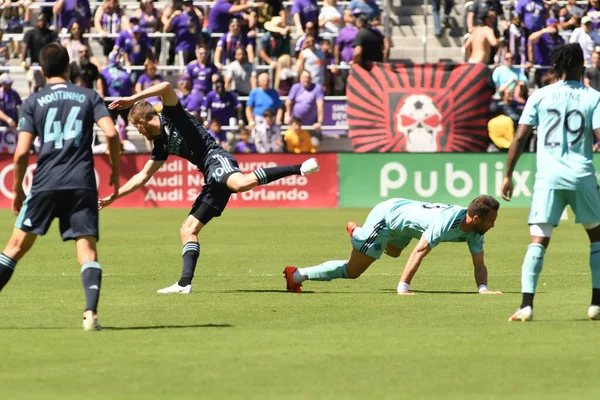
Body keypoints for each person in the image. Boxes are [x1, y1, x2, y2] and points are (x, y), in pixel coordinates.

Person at [101, 81, 320, 294]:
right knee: (188, 230)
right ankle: (184, 284)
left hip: (215, 158)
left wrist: (131, 99)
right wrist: (115, 196)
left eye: (136, 126)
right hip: (210, 176)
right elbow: (142, 177)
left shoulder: (171, 115)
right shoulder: (161, 145)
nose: (138, 132)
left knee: (240, 183)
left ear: (143, 119)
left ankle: (298, 167)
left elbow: (166, 87)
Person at [0, 43, 121, 330]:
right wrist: (115, 171)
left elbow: (20, 154)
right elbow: (112, 133)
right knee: (87, 251)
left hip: (45, 183)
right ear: (69, 68)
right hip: (81, 182)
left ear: (41, 71)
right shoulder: (89, 95)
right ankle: (90, 314)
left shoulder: (33, 101)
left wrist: (17, 190)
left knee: (15, 247)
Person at [501, 43, 600, 322]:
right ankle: (596, 303)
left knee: (539, 240)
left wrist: (508, 175)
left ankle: (526, 305)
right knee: (597, 238)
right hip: (582, 176)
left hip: (548, 178)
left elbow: (519, 137)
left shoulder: (540, 96)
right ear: (581, 67)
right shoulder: (594, 97)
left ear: (557, 67)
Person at [284, 196, 503, 295]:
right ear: (475, 218)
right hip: (387, 218)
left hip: (403, 225)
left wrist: (483, 289)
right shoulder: (446, 222)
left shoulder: (476, 230)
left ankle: (363, 237)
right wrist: (403, 287)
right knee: (353, 271)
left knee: (395, 252)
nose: (493, 225)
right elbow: (419, 251)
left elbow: (479, 264)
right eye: (491, 221)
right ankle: (296, 275)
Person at [22, 13, 59, 93]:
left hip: (48, 66)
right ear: (36, 21)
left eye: (43, 20)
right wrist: (23, 61)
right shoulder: (30, 34)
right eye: (39, 20)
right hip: (35, 66)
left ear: (47, 22)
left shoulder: (52, 34)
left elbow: (56, 47)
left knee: (49, 89)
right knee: (34, 86)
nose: (41, 22)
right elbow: (25, 47)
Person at [164, 0, 202, 65]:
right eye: (186, 4)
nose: (188, 6)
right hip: (181, 48)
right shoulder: (179, 17)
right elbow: (166, 29)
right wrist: (172, 16)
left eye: (190, 3)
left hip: (192, 49)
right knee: (182, 71)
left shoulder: (195, 18)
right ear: (183, 6)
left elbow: (198, 31)